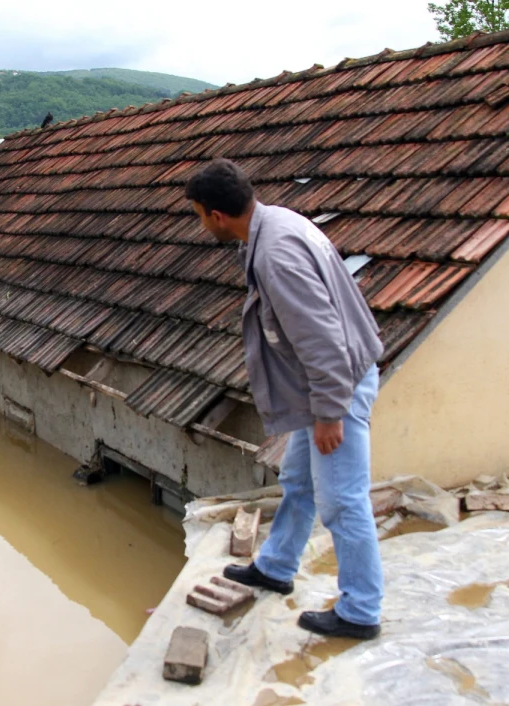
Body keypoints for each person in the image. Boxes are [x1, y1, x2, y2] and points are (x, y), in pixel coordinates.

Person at [184, 159, 385, 640]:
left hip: (336, 388)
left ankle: (360, 611)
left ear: (216, 215)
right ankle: (275, 566)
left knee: (343, 501)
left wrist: (330, 412)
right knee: (298, 479)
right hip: (325, 386)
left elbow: (323, 340)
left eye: (197, 214)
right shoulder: (280, 222)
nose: (199, 223)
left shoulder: (276, 255)